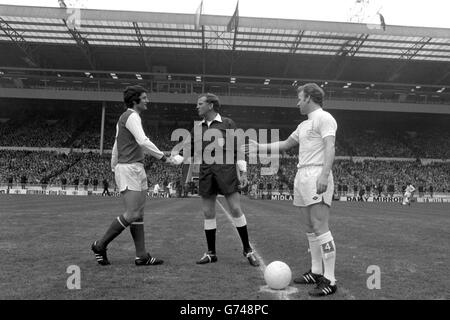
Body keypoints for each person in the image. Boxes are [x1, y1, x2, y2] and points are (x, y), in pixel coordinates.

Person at [245, 83, 338, 296]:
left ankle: (330, 279)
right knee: (309, 226)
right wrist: (260, 147)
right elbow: (286, 144)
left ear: (309, 98)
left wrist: (324, 174)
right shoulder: (304, 125)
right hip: (301, 174)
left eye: (300, 98)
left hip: (316, 173)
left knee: (320, 225)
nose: (297, 102)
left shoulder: (325, 118)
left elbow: (330, 147)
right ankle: (316, 271)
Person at [91, 85, 177, 266]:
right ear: (134, 100)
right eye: (144, 98)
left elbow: (116, 143)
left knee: (139, 215)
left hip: (134, 167)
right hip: (129, 168)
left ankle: (142, 256)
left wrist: (114, 165)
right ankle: (100, 245)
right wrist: (163, 158)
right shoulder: (131, 116)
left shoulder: (128, 118)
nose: (147, 100)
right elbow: (143, 141)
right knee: (131, 214)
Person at [172, 93, 259, 267]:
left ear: (210, 105)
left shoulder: (227, 123)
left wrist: (243, 172)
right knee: (208, 212)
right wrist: (173, 159)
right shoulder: (198, 128)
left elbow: (239, 149)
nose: (197, 106)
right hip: (206, 170)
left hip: (226, 168)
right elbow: (187, 149)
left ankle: (247, 249)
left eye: (200, 103)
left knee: (235, 208)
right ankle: (211, 252)